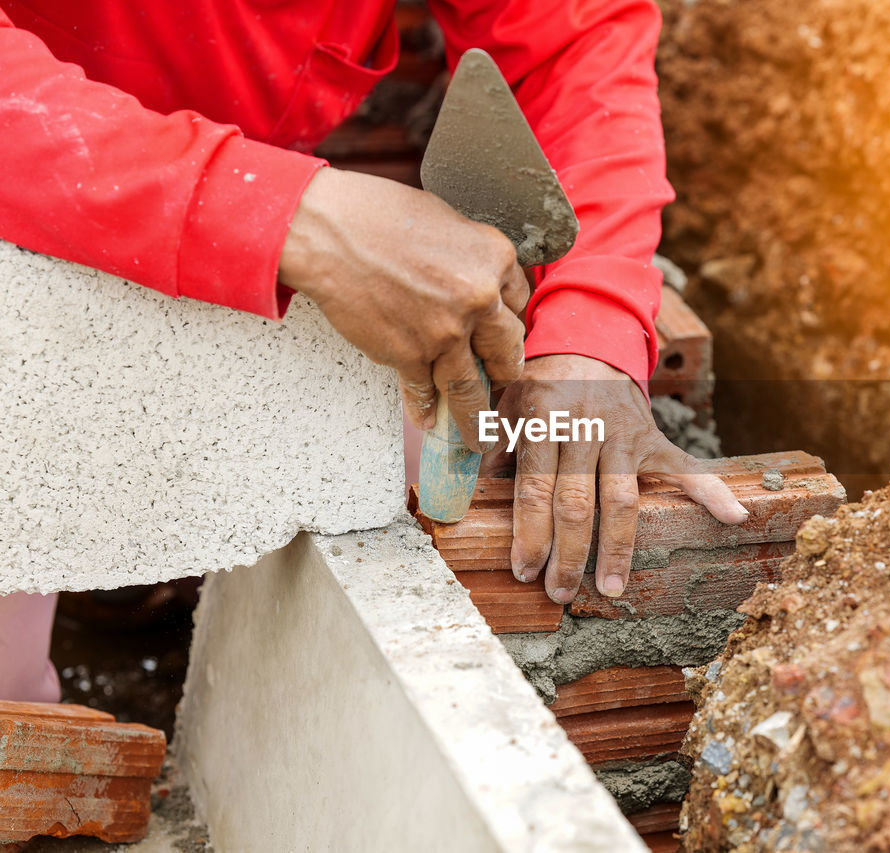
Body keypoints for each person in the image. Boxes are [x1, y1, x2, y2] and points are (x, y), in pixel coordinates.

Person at [0, 0, 749, 702]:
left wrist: (590, 333)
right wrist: (290, 217)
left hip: (233, 214)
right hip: (31, 208)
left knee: (462, 464)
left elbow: (570, 39)